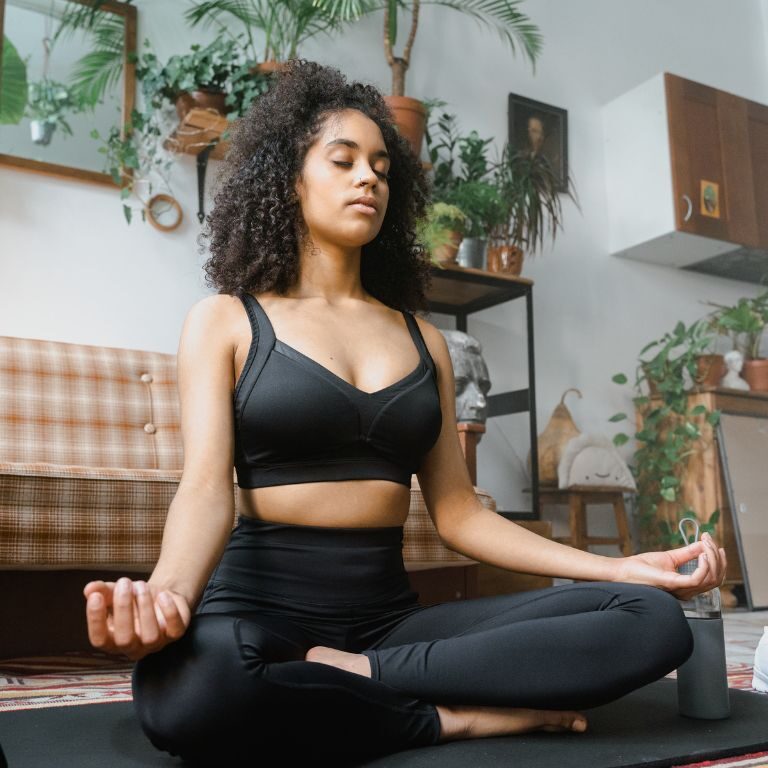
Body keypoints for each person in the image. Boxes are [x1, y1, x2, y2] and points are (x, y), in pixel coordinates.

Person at [82, 59, 727, 766]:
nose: (370, 178)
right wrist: (169, 598)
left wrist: (619, 568)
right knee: (193, 690)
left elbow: (459, 514)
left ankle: (363, 680)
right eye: (344, 160)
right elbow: (205, 489)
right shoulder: (227, 322)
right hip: (259, 616)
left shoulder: (427, 341)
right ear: (289, 179)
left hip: (391, 625)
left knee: (653, 621)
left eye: (383, 167)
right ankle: (453, 720)